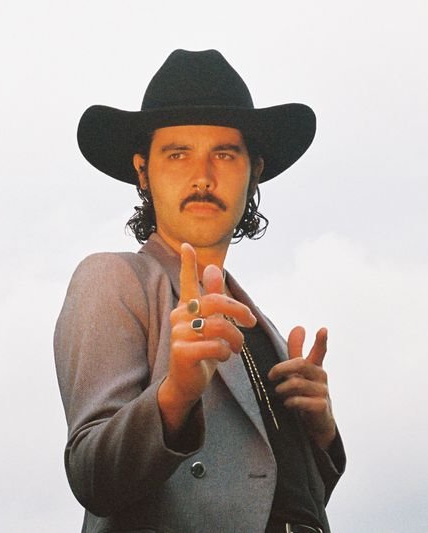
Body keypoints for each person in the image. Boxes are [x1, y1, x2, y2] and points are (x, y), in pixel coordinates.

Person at [54, 49, 345, 533]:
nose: (203, 176)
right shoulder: (115, 279)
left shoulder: (262, 328)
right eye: (178, 154)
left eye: (224, 154)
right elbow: (92, 475)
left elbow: (267, 494)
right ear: (143, 171)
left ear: (254, 170)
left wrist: (321, 432)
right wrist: (176, 395)